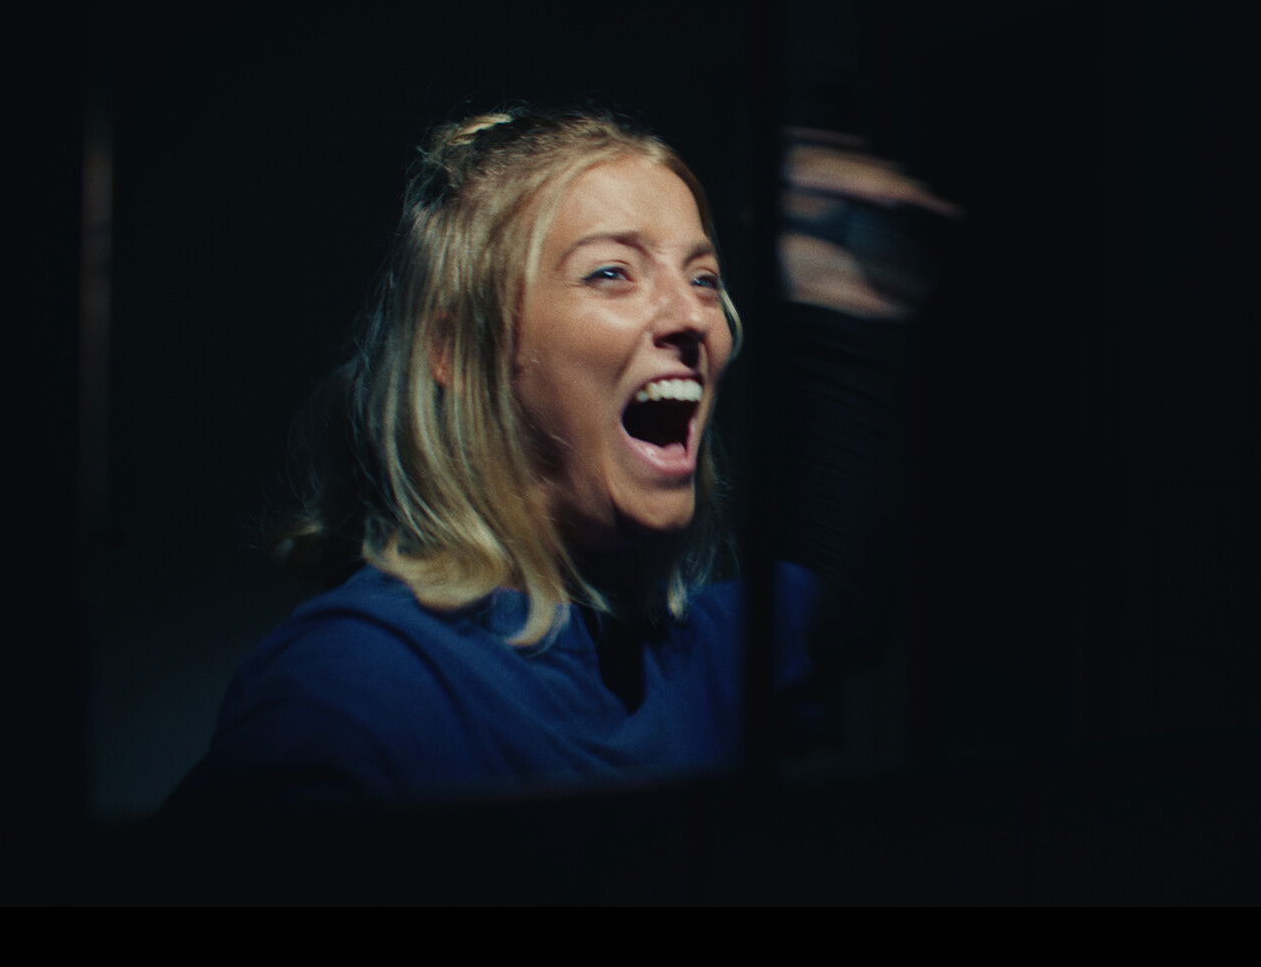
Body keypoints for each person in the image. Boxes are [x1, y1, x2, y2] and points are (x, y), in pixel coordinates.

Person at [168, 107, 952, 810]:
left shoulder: (694, 658)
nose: (692, 316)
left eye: (704, 277)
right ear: (456, 349)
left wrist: (839, 307)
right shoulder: (354, 689)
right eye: (611, 272)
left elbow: (830, 603)